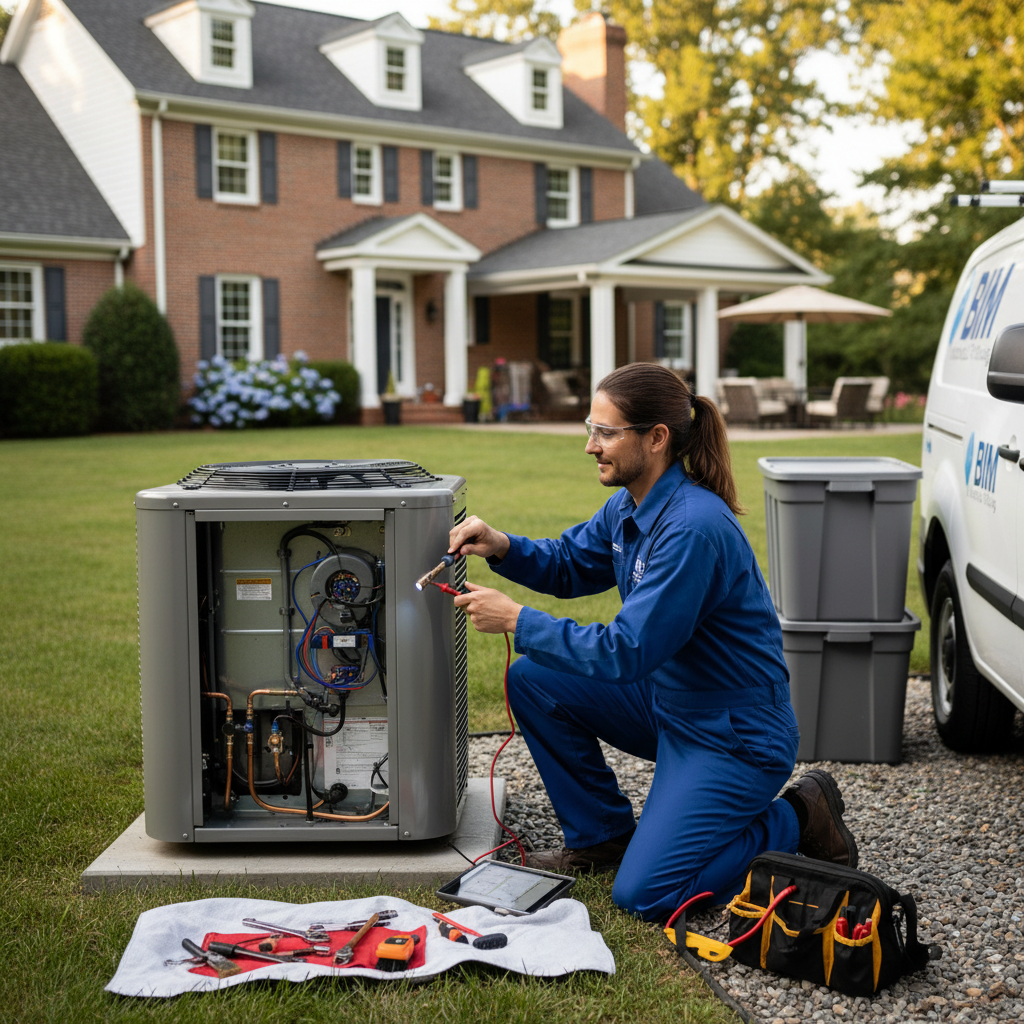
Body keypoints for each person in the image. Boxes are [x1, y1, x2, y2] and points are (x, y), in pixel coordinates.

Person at [449, 363, 858, 922]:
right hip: (670, 705)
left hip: (732, 736)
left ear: (656, 438)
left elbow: (627, 651)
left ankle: (797, 814)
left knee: (646, 895)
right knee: (534, 679)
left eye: (606, 432)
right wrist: (500, 545)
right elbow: (570, 564)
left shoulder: (692, 527)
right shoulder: (632, 504)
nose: (591, 446)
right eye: (590, 429)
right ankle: (602, 836)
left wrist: (519, 620)